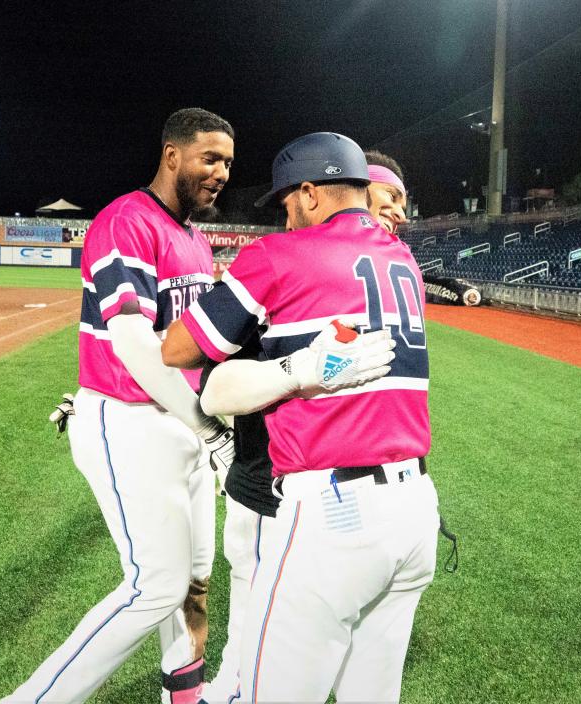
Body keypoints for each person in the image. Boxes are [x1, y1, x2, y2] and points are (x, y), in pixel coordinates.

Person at [162, 132, 439, 703]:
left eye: (287, 203)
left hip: (333, 514)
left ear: (310, 193)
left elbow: (178, 348)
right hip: (415, 509)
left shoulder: (277, 255)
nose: (285, 217)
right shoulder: (402, 258)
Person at [0, 108, 237, 704]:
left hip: (180, 423)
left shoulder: (193, 238)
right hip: (131, 422)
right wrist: (207, 425)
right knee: (154, 587)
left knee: (194, 580)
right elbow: (133, 343)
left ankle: (185, 695)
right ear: (171, 154)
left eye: (228, 163)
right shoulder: (127, 221)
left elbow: (193, 348)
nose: (221, 173)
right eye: (210, 158)